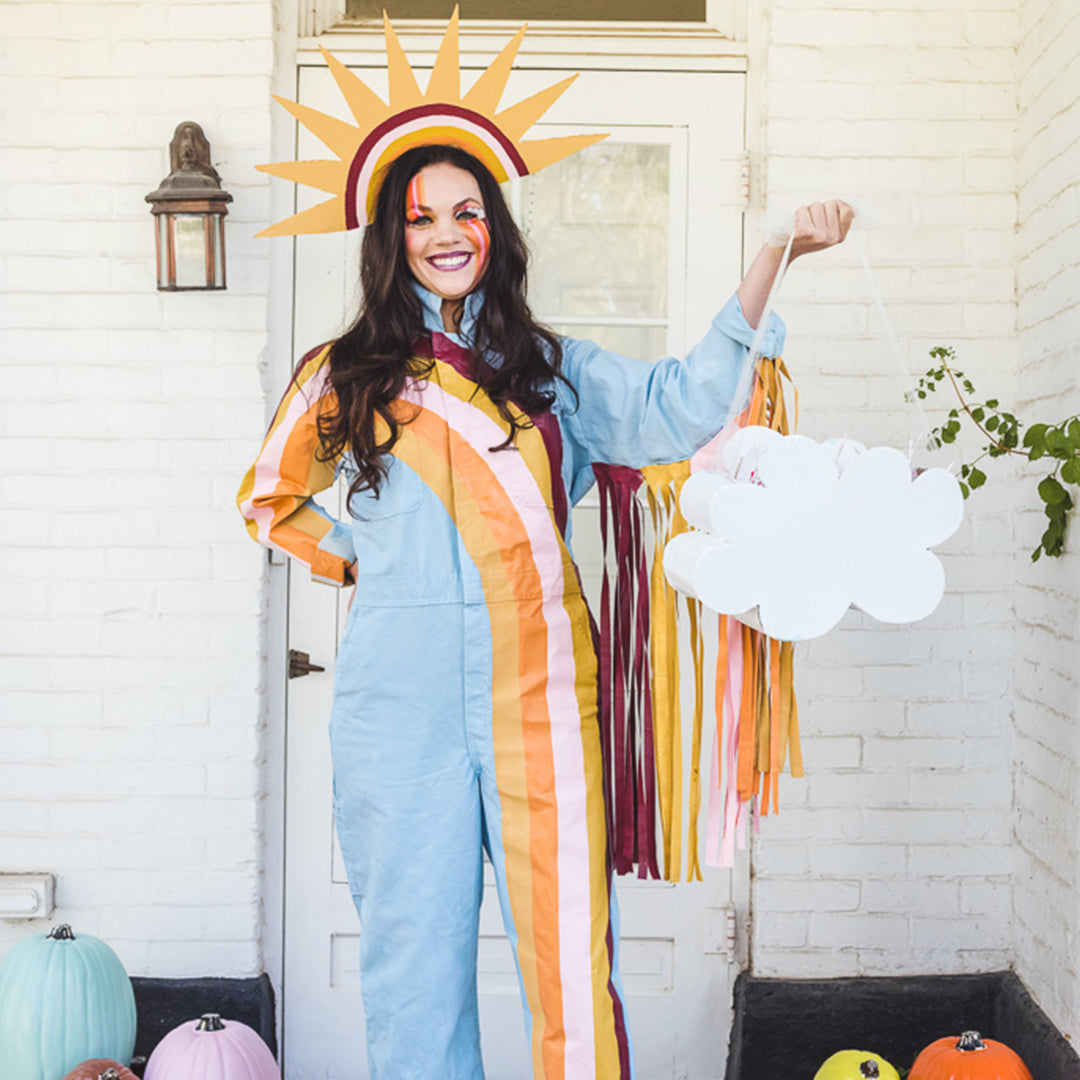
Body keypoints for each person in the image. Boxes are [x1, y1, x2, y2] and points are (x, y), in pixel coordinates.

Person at [239, 142, 851, 1080]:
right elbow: (270, 500)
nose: (447, 233)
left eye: (466, 211)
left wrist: (775, 254)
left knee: (571, 962)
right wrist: (374, 558)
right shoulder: (344, 374)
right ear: (390, 238)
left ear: (496, 228)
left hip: (545, 699)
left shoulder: (549, 368)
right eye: (422, 216)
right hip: (396, 714)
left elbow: (681, 405)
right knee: (412, 969)